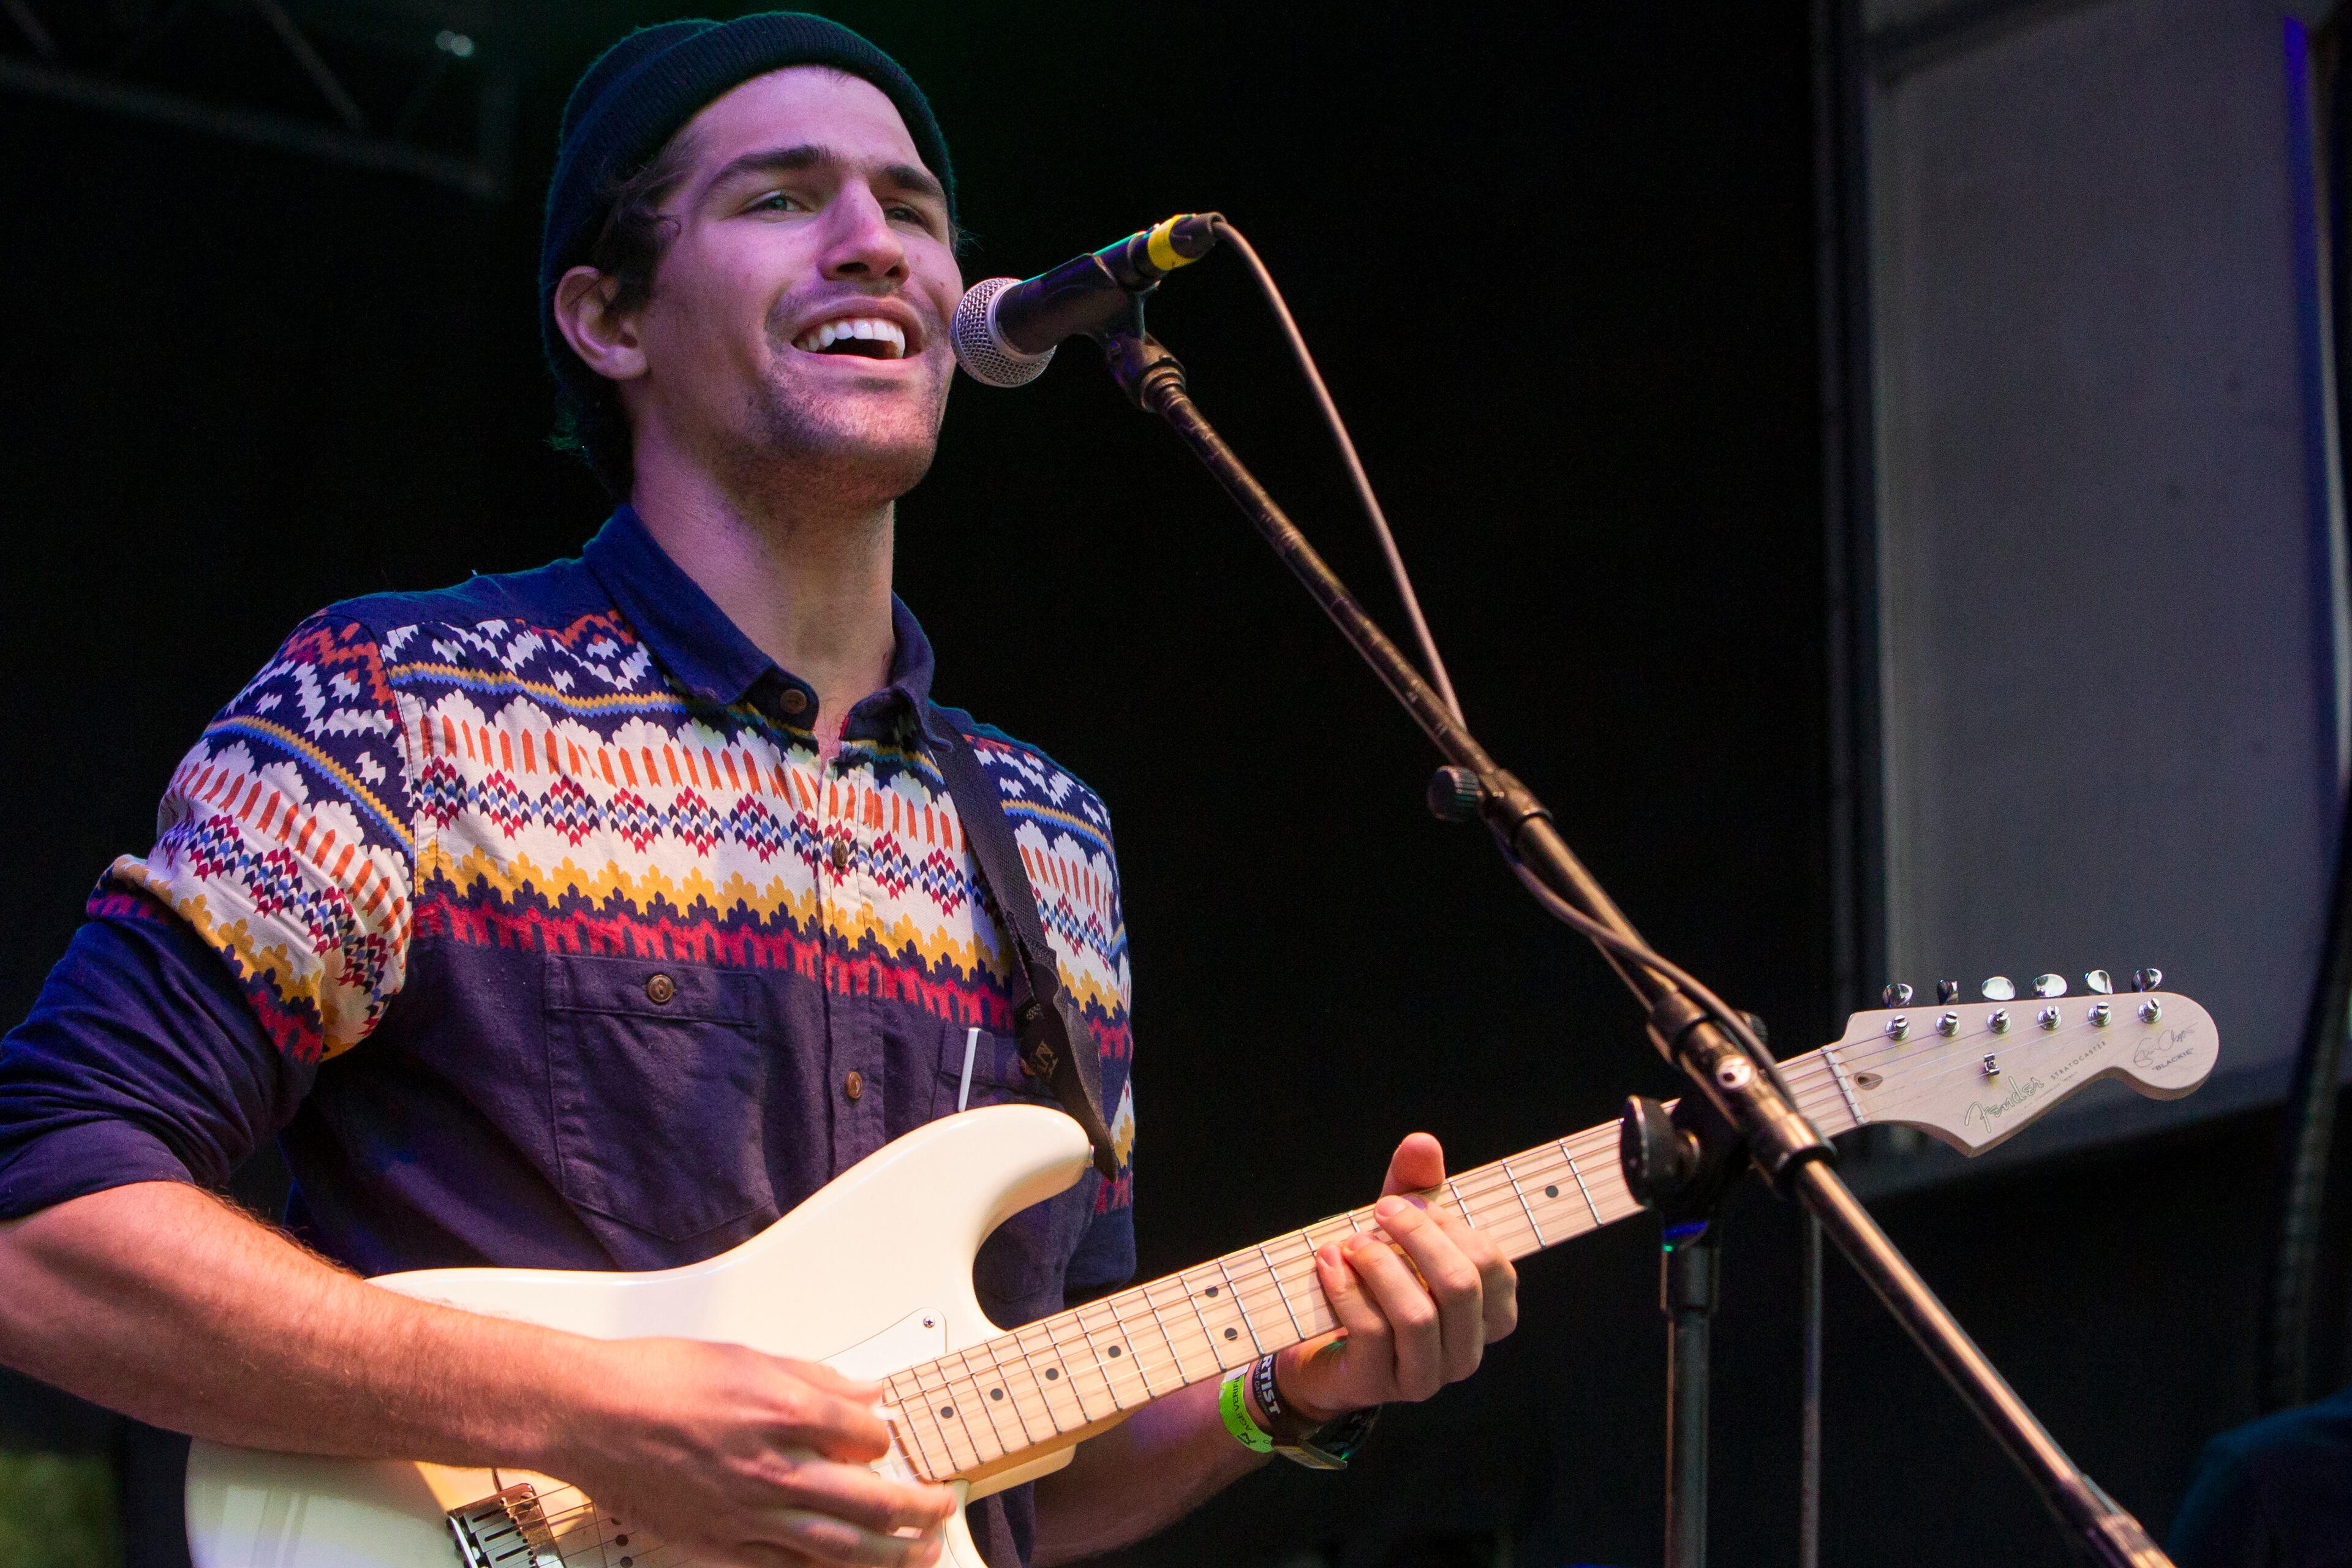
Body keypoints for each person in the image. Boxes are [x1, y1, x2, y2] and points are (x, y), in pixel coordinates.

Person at [0, 15, 1518, 1568]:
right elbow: (37, 1227)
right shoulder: (398, 704)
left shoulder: (1049, 836)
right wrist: (588, 1413)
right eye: (785, 198)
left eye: (914, 209)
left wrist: (1285, 1389)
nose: (879, 245)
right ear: (607, 317)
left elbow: (1005, 1487)